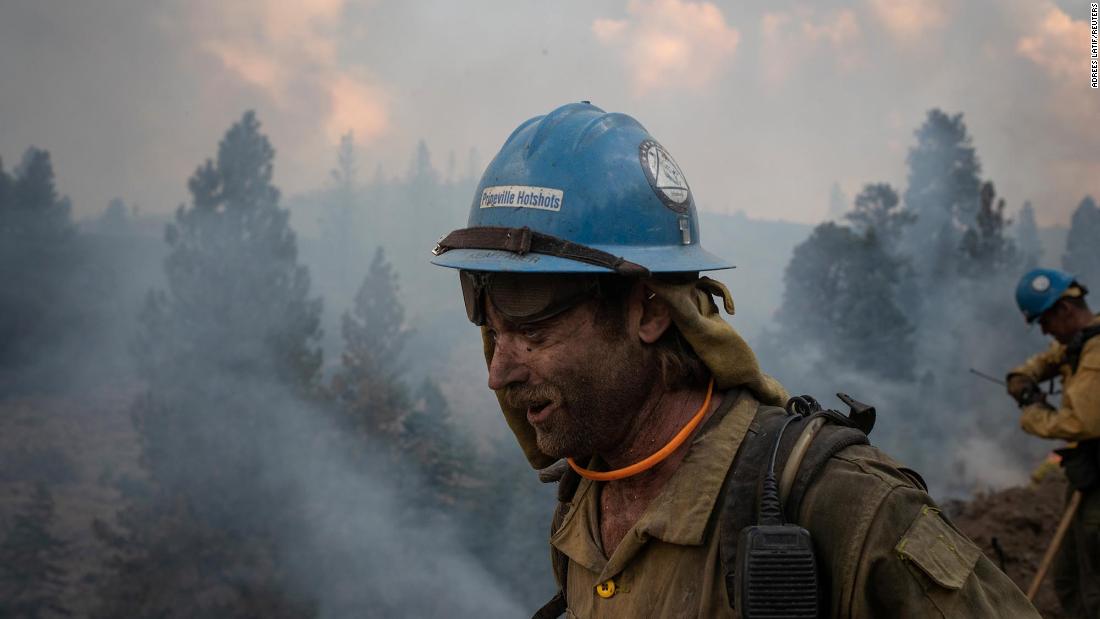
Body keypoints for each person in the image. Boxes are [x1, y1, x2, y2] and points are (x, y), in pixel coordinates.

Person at [432, 102, 1038, 618]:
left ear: (648, 310)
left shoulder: (840, 507)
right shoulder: (586, 502)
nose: (498, 371)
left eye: (535, 330)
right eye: (492, 331)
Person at [1008, 268, 1100, 617]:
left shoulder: (1096, 350)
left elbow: (1082, 422)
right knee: (1067, 577)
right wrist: (1023, 378)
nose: (1044, 330)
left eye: (1045, 321)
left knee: (1094, 585)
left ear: (1065, 310)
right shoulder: (1080, 341)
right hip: (1087, 474)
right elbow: (1050, 358)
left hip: (1097, 479)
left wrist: (1032, 414)